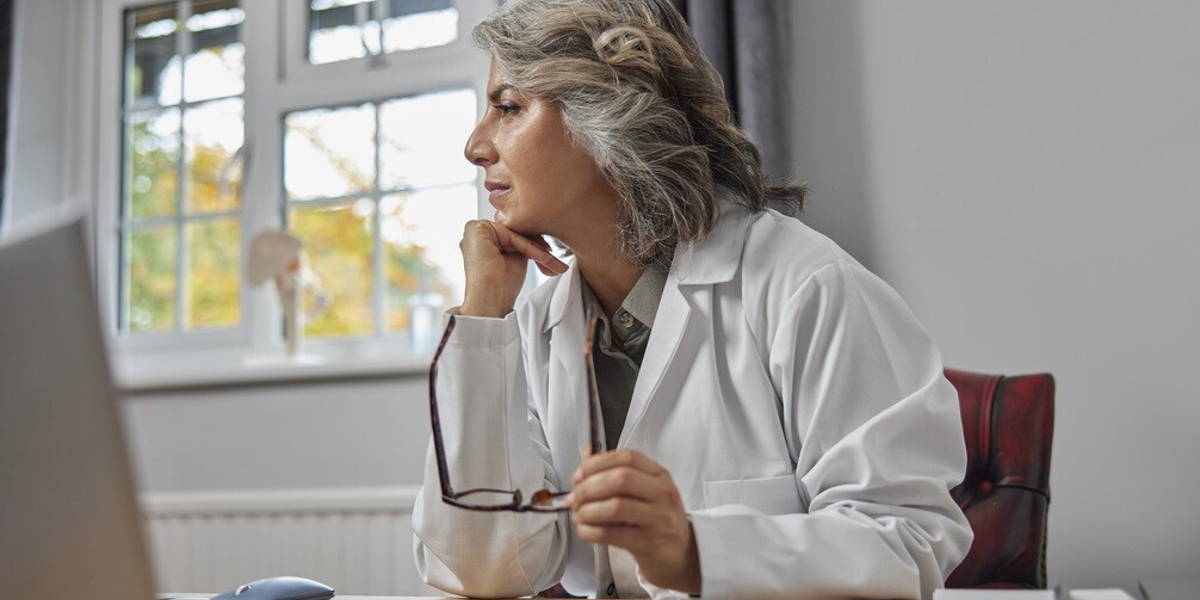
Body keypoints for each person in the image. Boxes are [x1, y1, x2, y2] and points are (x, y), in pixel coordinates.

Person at [411, 1, 973, 598]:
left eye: (508, 108)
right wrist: (480, 324)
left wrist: (695, 551)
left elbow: (907, 541)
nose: (476, 146)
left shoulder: (805, 286)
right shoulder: (531, 321)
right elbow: (486, 569)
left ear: (609, 115)